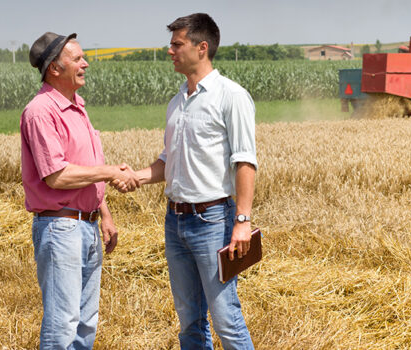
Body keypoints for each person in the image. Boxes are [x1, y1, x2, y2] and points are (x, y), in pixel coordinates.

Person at [128, 13, 257, 349]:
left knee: (226, 320)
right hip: (175, 221)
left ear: (202, 48)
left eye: (176, 44)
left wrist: (242, 222)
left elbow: (245, 161)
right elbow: (168, 161)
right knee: (189, 323)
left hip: (213, 221)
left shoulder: (231, 96)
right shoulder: (176, 103)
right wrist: (136, 177)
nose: (170, 51)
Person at [20, 31, 139, 349]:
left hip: (86, 226)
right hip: (61, 228)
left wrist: (104, 212)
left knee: (85, 325)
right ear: (55, 69)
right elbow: (57, 176)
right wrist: (112, 171)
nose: (85, 63)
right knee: (62, 325)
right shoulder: (41, 111)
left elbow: (85, 165)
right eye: (77, 59)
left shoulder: (77, 107)